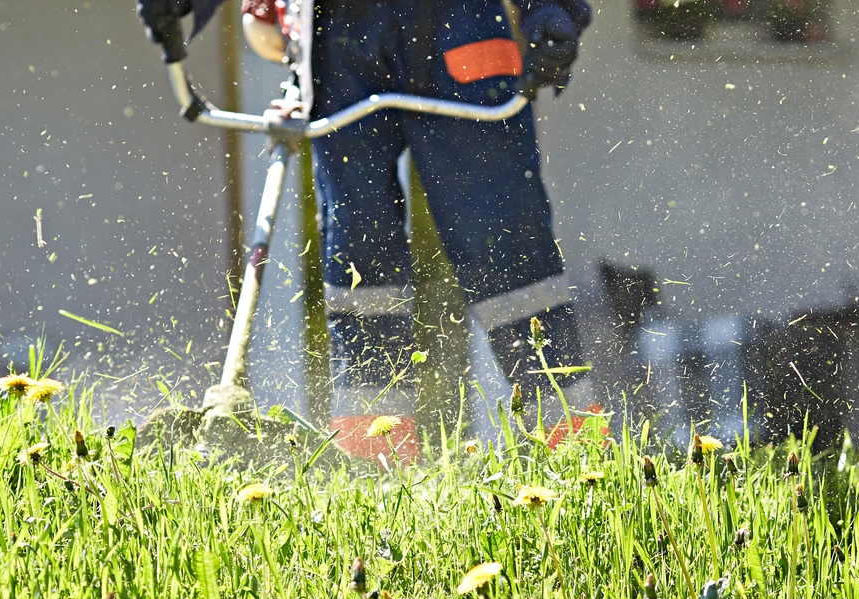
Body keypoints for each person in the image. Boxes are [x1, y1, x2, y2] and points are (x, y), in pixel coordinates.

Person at [137, 0, 594, 463]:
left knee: (507, 248)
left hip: (460, 22)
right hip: (341, 39)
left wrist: (551, 10)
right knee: (360, 259)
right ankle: (374, 471)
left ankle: (574, 463)